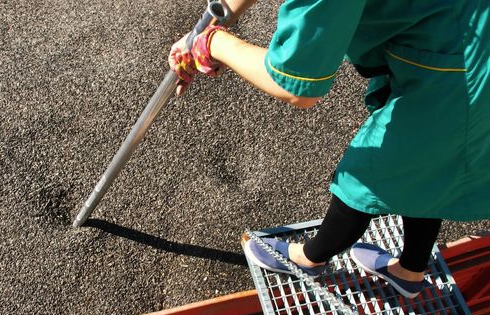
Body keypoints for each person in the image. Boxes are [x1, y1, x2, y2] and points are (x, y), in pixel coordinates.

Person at [168, 0, 490, 298]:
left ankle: (309, 259)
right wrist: (211, 20)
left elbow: (295, 85)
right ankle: (410, 271)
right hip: (459, 36)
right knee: (429, 168)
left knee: (365, 178)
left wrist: (212, 43)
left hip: (460, 74)